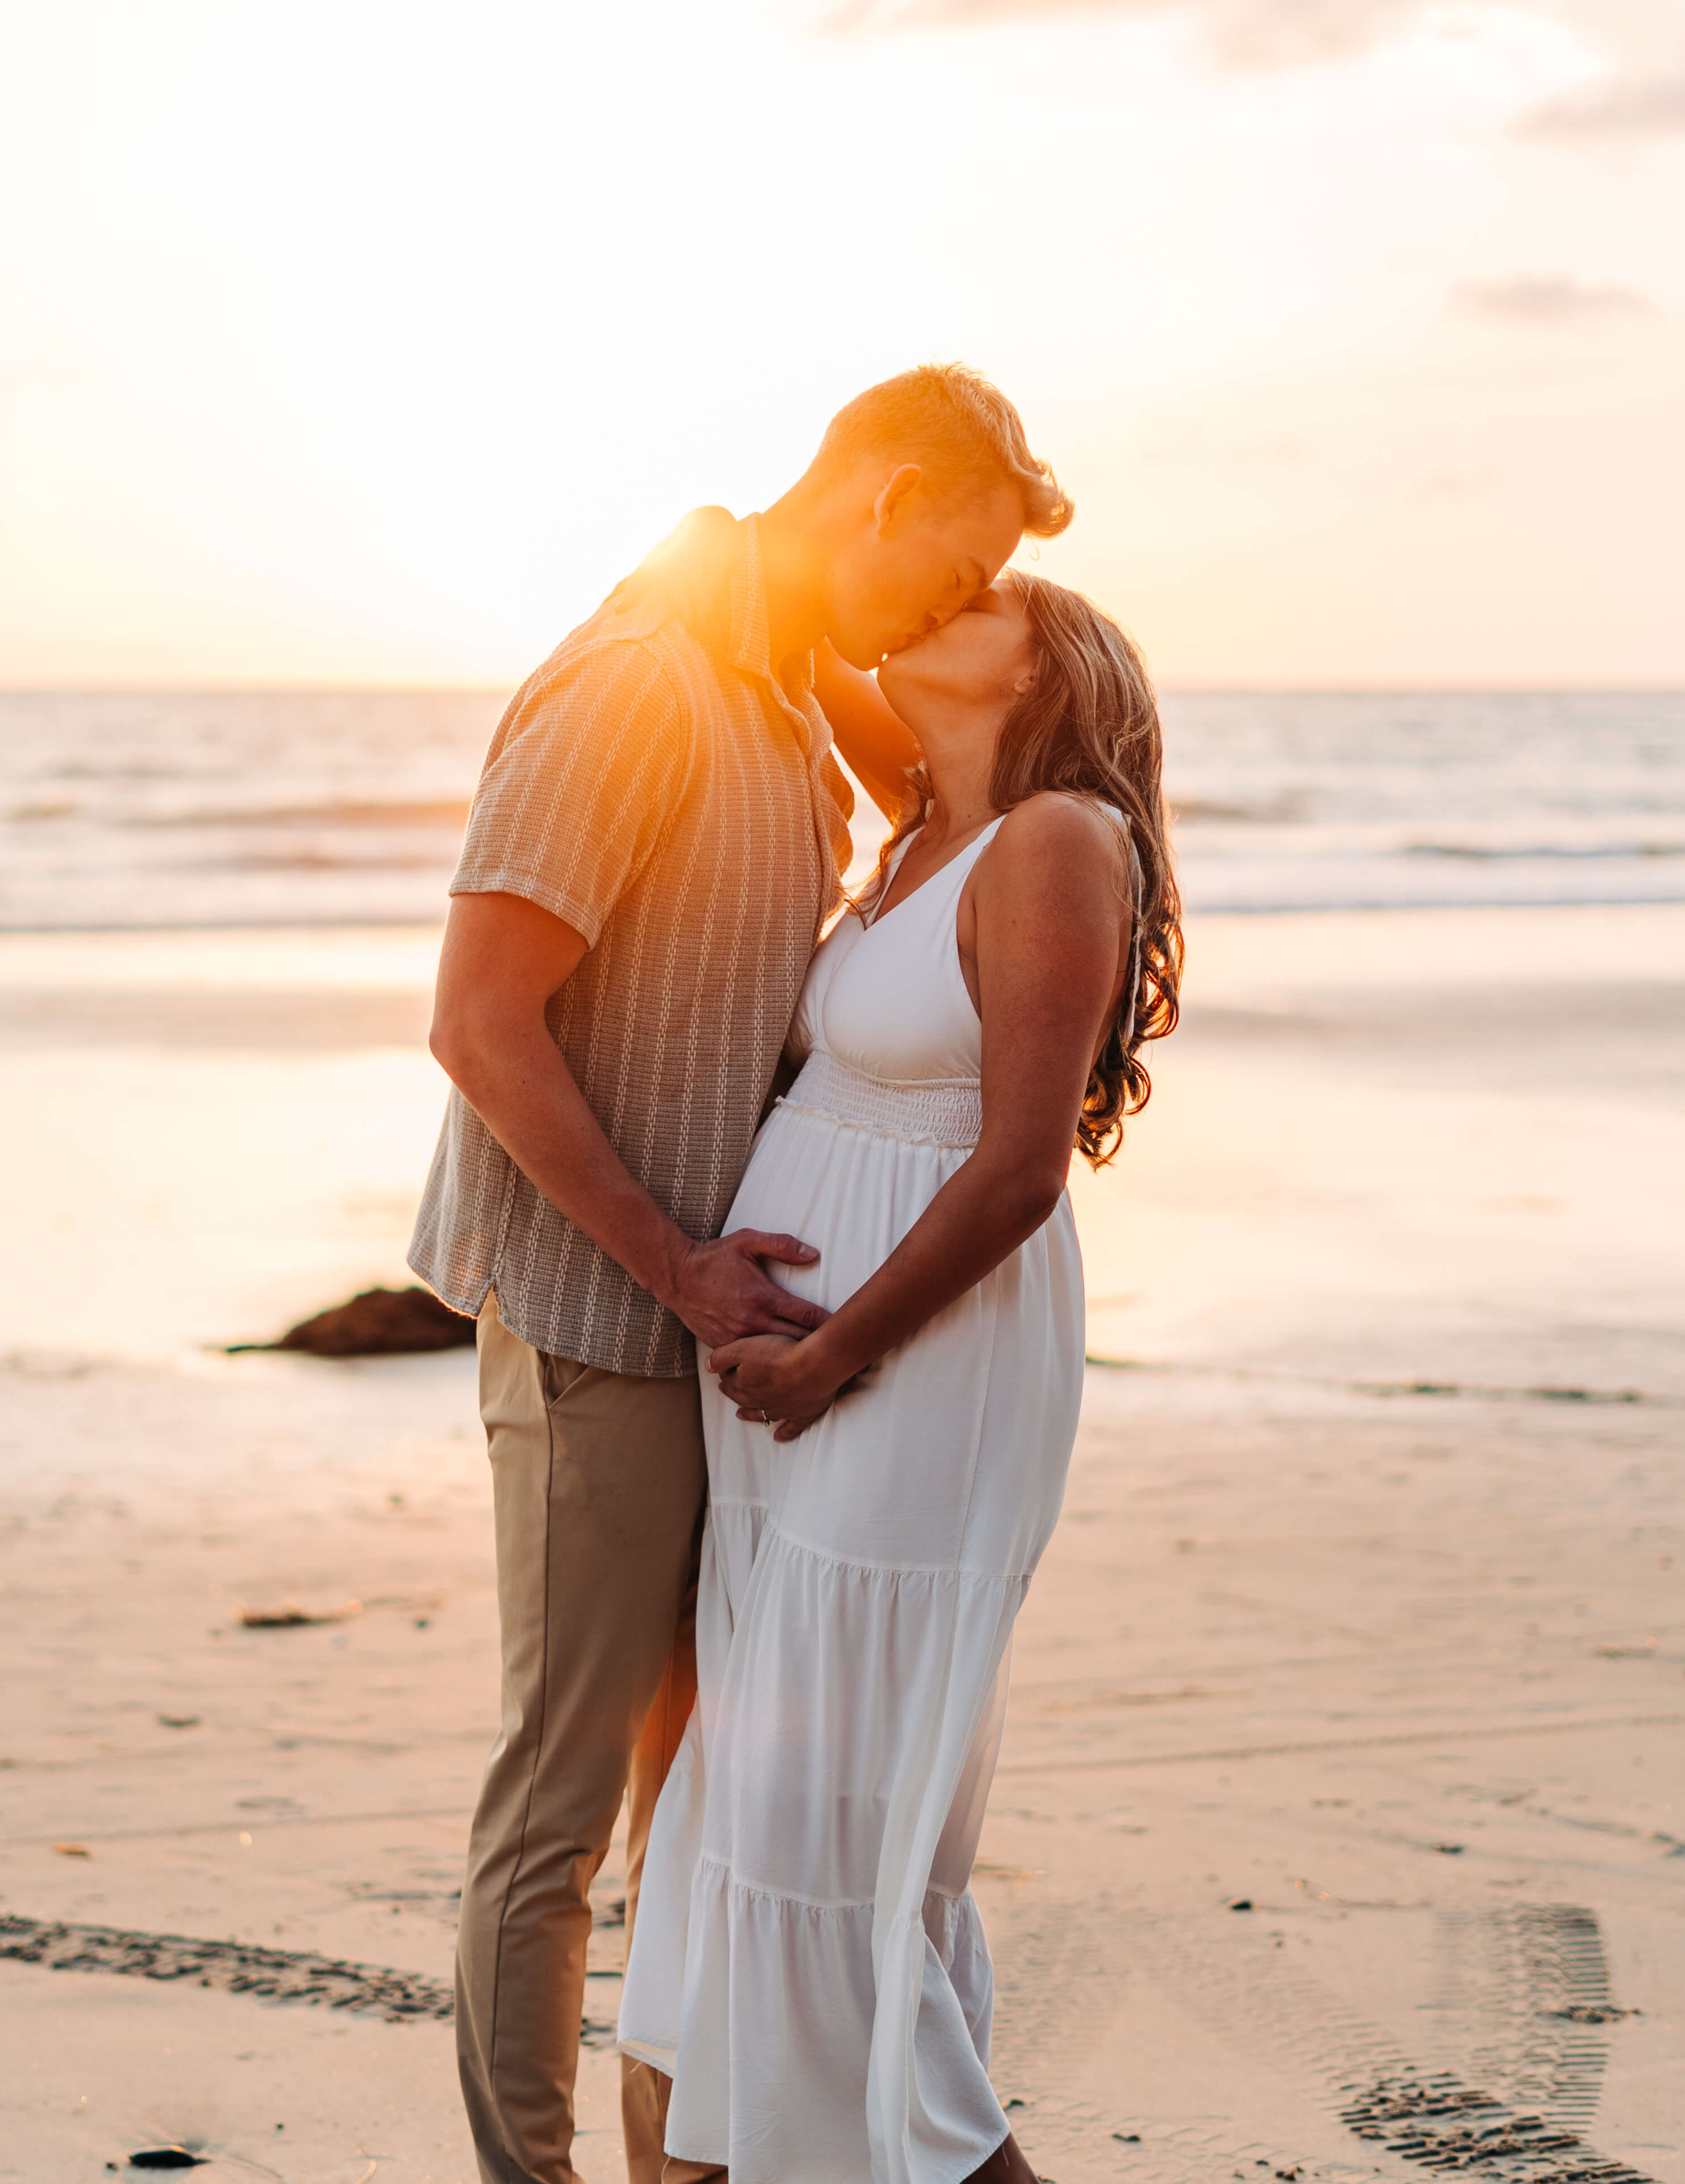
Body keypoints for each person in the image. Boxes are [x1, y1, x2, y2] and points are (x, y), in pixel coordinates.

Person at [413, 364, 1077, 2184]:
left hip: (739, 1356)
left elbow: (997, 810)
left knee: (704, 1810)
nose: (946, 615)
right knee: (556, 1816)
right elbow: (479, 1022)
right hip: (606, 1325)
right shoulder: (636, 679)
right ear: (878, 498)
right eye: (948, 568)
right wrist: (682, 1274)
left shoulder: (781, 684)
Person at [614, 573, 1182, 2184]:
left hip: (915, 1368)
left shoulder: (1057, 837)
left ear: (1049, 668)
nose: (937, 597)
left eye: (981, 593)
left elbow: (1017, 1174)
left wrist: (839, 1351)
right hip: (802, 1391)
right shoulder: (922, 831)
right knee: (806, 1822)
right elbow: (799, 617)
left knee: (820, 1849)